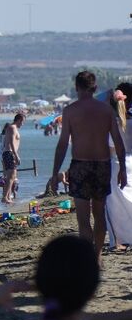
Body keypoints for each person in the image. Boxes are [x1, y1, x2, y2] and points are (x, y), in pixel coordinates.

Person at [50, 72, 127, 263]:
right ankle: (97, 255)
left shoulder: (70, 111)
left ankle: (89, 260)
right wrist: (123, 169)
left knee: (83, 219)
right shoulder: (106, 110)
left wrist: (54, 173)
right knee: (99, 215)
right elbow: (118, 142)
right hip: (102, 165)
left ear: (77, 88)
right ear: (94, 88)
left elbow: (62, 145)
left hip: (80, 166)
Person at [106, 84, 132, 249]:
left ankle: (118, 240)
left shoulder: (112, 125)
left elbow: (111, 149)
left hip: (117, 163)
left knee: (114, 206)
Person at [1, 113, 25, 204]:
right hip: (9, 153)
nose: (22, 124)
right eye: (22, 122)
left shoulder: (13, 128)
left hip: (10, 153)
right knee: (11, 176)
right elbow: (11, 142)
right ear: (19, 120)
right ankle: (5, 197)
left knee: (12, 176)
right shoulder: (12, 128)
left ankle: (7, 196)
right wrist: (16, 155)